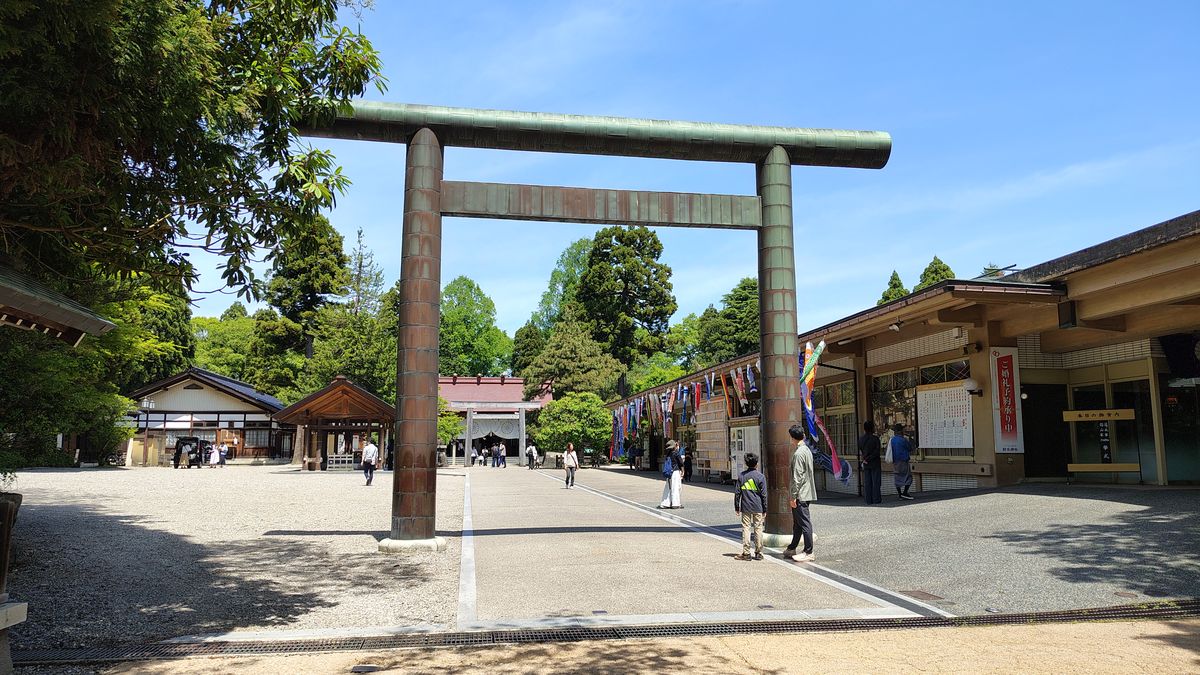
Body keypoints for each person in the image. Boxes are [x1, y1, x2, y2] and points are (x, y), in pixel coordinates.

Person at [783, 424, 817, 562]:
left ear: (792, 438)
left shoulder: (798, 454)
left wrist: (793, 496)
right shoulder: (807, 450)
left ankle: (809, 551)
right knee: (798, 523)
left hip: (800, 494)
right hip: (807, 491)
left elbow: (797, 477)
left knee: (804, 522)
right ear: (803, 435)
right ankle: (792, 547)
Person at [733, 452, 767, 561]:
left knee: (746, 528)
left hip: (745, 506)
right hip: (758, 506)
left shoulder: (742, 476)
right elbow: (764, 495)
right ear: (757, 464)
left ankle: (746, 553)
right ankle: (759, 552)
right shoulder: (761, 477)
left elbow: (737, 493)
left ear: (745, 463)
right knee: (758, 528)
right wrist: (765, 509)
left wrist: (737, 507)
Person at [858, 421, 882, 505]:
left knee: (867, 482)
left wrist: (865, 458)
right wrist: (869, 458)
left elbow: (861, 450)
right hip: (875, 462)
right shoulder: (875, 439)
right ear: (872, 428)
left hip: (865, 462)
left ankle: (868, 499)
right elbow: (877, 451)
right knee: (876, 482)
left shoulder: (861, 439)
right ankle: (876, 499)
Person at [890, 423, 915, 500]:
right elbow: (910, 448)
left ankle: (900, 494)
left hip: (895, 461)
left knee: (897, 477)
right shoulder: (903, 440)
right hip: (904, 460)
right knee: (908, 477)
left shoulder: (892, 440)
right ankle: (905, 492)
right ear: (901, 431)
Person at [657, 440, 684, 509]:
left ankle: (665, 503)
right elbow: (681, 463)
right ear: (674, 446)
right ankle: (675, 504)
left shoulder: (668, 454)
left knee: (668, 488)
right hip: (675, 472)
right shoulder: (676, 453)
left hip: (669, 473)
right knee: (676, 487)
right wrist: (682, 471)